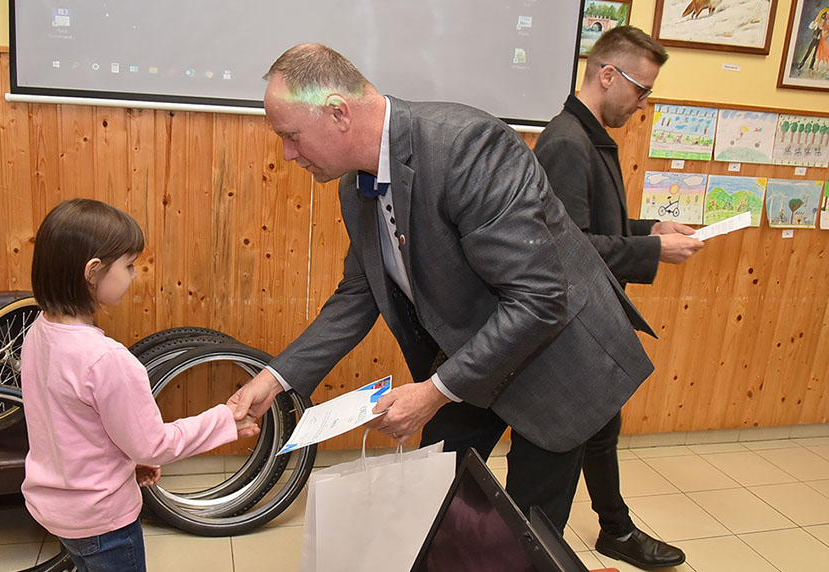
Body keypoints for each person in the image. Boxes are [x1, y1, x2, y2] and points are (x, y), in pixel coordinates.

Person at [229, 43, 658, 532]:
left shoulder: (467, 147)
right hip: (478, 356)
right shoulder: (354, 185)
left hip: (559, 358)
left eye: (291, 136)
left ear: (338, 113)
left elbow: (539, 298)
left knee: (525, 534)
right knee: (437, 498)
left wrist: (434, 391)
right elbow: (357, 296)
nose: (287, 154)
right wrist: (275, 379)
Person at [534, 26, 703, 569]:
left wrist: (651, 228)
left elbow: (597, 227)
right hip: (573, 324)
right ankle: (575, 538)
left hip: (592, 317)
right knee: (568, 449)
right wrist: (653, 252)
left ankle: (615, 528)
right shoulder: (568, 141)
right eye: (641, 89)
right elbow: (570, 247)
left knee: (603, 429)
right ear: (607, 75)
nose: (643, 102)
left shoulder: (588, 136)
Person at [21, 199, 259, 572]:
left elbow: (75, 429)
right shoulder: (106, 359)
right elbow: (153, 444)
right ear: (93, 271)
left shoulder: (38, 331)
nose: (134, 275)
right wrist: (225, 420)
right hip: (105, 522)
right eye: (129, 265)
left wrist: (128, 462)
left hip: (60, 512)